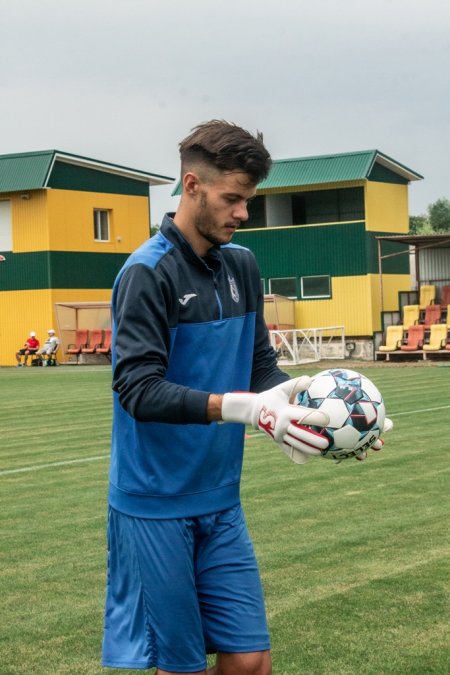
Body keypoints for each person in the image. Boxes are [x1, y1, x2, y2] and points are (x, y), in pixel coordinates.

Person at [102, 120, 390, 675]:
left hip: (220, 499)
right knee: (181, 669)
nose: (242, 213)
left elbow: (261, 369)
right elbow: (138, 390)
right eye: (231, 198)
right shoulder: (146, 273)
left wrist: (325, 418)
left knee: (250, 662)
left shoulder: (241, 264)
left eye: (248, 200)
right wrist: (243, 409)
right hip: (155, 503)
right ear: (192, 186)